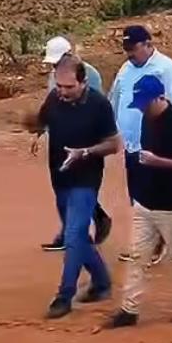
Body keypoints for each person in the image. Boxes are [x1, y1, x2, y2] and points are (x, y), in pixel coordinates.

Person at [106, 75, 172, 329]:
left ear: (160, 97)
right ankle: (129, 308)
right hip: (145, 201)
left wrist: (158, 162)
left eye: (145, 102)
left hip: (171, 205)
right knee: (137, 256)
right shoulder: (146, 119)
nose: (141, 107)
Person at [36, 55, 121, 319]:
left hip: (86, 180)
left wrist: (84, 152)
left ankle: (64, 296)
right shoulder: (53, 99)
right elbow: (40, 123)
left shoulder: (99, 105)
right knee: (79, 237)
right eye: (59, 86)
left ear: (83, 82)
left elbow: (114, 143)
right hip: (59, 178)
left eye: (68, 87)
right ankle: (102, 282)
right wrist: (33, 129)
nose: (63, 92)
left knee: (73, 236)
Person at [107, 25, 172, 263]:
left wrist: (170, 141)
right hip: (132, 144)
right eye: (126, 49)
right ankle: (151, 239)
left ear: (148, 44)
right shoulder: (125, 69)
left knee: (157, 194)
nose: (129, 53)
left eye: (133, 48)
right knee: (137, 194)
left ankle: (155, 243)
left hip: (157, 144)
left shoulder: (167, 69)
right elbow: (116, 99)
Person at [38, 35, 111, 252]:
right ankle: (75, 231)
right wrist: (42, 130)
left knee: (80, 192)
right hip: (61, 141)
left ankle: (78, 235)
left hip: (85, 142)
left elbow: (95, 107)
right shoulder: (56, 77)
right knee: (63, 192)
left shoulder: (89, 75)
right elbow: (52, 105)